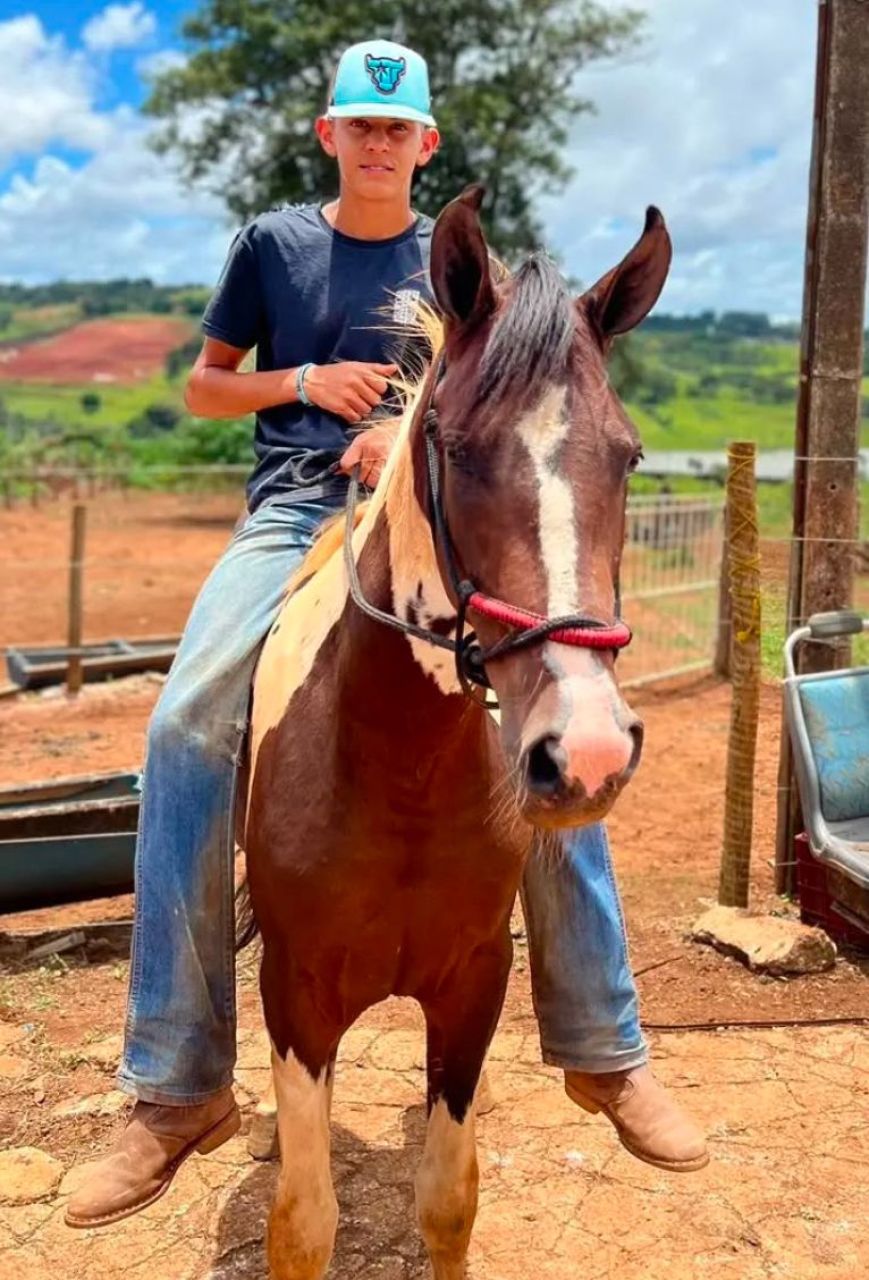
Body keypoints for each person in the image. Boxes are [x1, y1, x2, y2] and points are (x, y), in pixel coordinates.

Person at [66, 38, 707, 1231]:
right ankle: (174, 1081)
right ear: (327, 135)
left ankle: (601, 1040)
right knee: (184, 725)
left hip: (438, 511)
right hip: (299, 510)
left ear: (425, 144)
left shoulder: (471, 271)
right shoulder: (272, 247)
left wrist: (404, 434)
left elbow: (510, 416)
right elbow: (207, 386)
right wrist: (300, 381)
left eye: (395, 126)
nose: (374, 141)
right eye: (355, 124)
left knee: (550, 708)